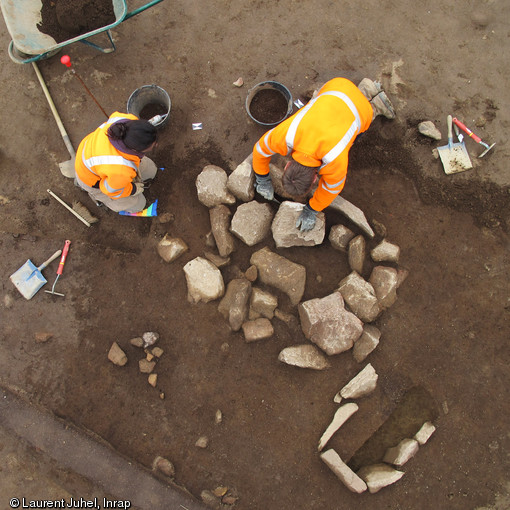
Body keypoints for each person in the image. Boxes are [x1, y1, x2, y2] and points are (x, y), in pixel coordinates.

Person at [252, 77, 395, 231]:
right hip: (335, 86)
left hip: (358, 108)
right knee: (319, 105)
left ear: (315, 178)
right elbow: (259, 150)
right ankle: (365, 89)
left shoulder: (335, 160)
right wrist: (262, 178)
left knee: (357, 128)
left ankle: (377, 105)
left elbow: (331, 190)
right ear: (287, 166)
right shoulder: (286, 135)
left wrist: (311, 210)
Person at [75, 111, 158, 213]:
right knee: (139, 205)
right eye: (151, 147)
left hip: (91, 154)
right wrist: (132, 189)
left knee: (151, 171)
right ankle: (94, 194)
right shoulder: (120, 171)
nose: (156, 145)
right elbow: (109, 190)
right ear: (135, 150)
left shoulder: (126, 121)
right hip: (92, 179)